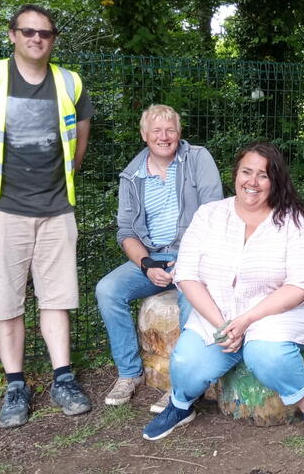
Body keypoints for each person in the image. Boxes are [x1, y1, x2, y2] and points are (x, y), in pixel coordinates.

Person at [142, 142, 304, 447]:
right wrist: (223, 324)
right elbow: (187, 274)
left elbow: (300, 286)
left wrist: (246, 320)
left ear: (275, 181)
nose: (253, 182)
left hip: (276, 314)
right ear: (235, 174)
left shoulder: (294, 223)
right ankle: (180, 406)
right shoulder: (209, 215)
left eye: (263, 175)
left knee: (266, 354)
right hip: (218, 312)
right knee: (186, 364)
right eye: (247, 172)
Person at [0, 4, 94, 428]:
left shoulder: (70, 82)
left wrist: (58, 188)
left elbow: (78, 146)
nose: (37, 39)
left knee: (58, 297)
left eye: (46, 33)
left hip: (55, 210)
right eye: (28, 31)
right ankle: (16, 385)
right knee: (5, 300)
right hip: (0, 210)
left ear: (53, 40)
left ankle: (62, 378)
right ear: (13, 34)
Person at [95, 104, 223, 409]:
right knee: (107, 290)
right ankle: (129, 373)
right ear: (144, 135)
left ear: (179, 133)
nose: (164, 137)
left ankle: (183, 381)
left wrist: (187, 261)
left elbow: (214, 213)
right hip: (153, 258)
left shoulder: (197, 159)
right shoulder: (132, 177)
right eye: (156, 131)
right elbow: (126, 231)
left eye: (170, 130)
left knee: (191, 300)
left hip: (195, 255)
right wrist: (147, 264)